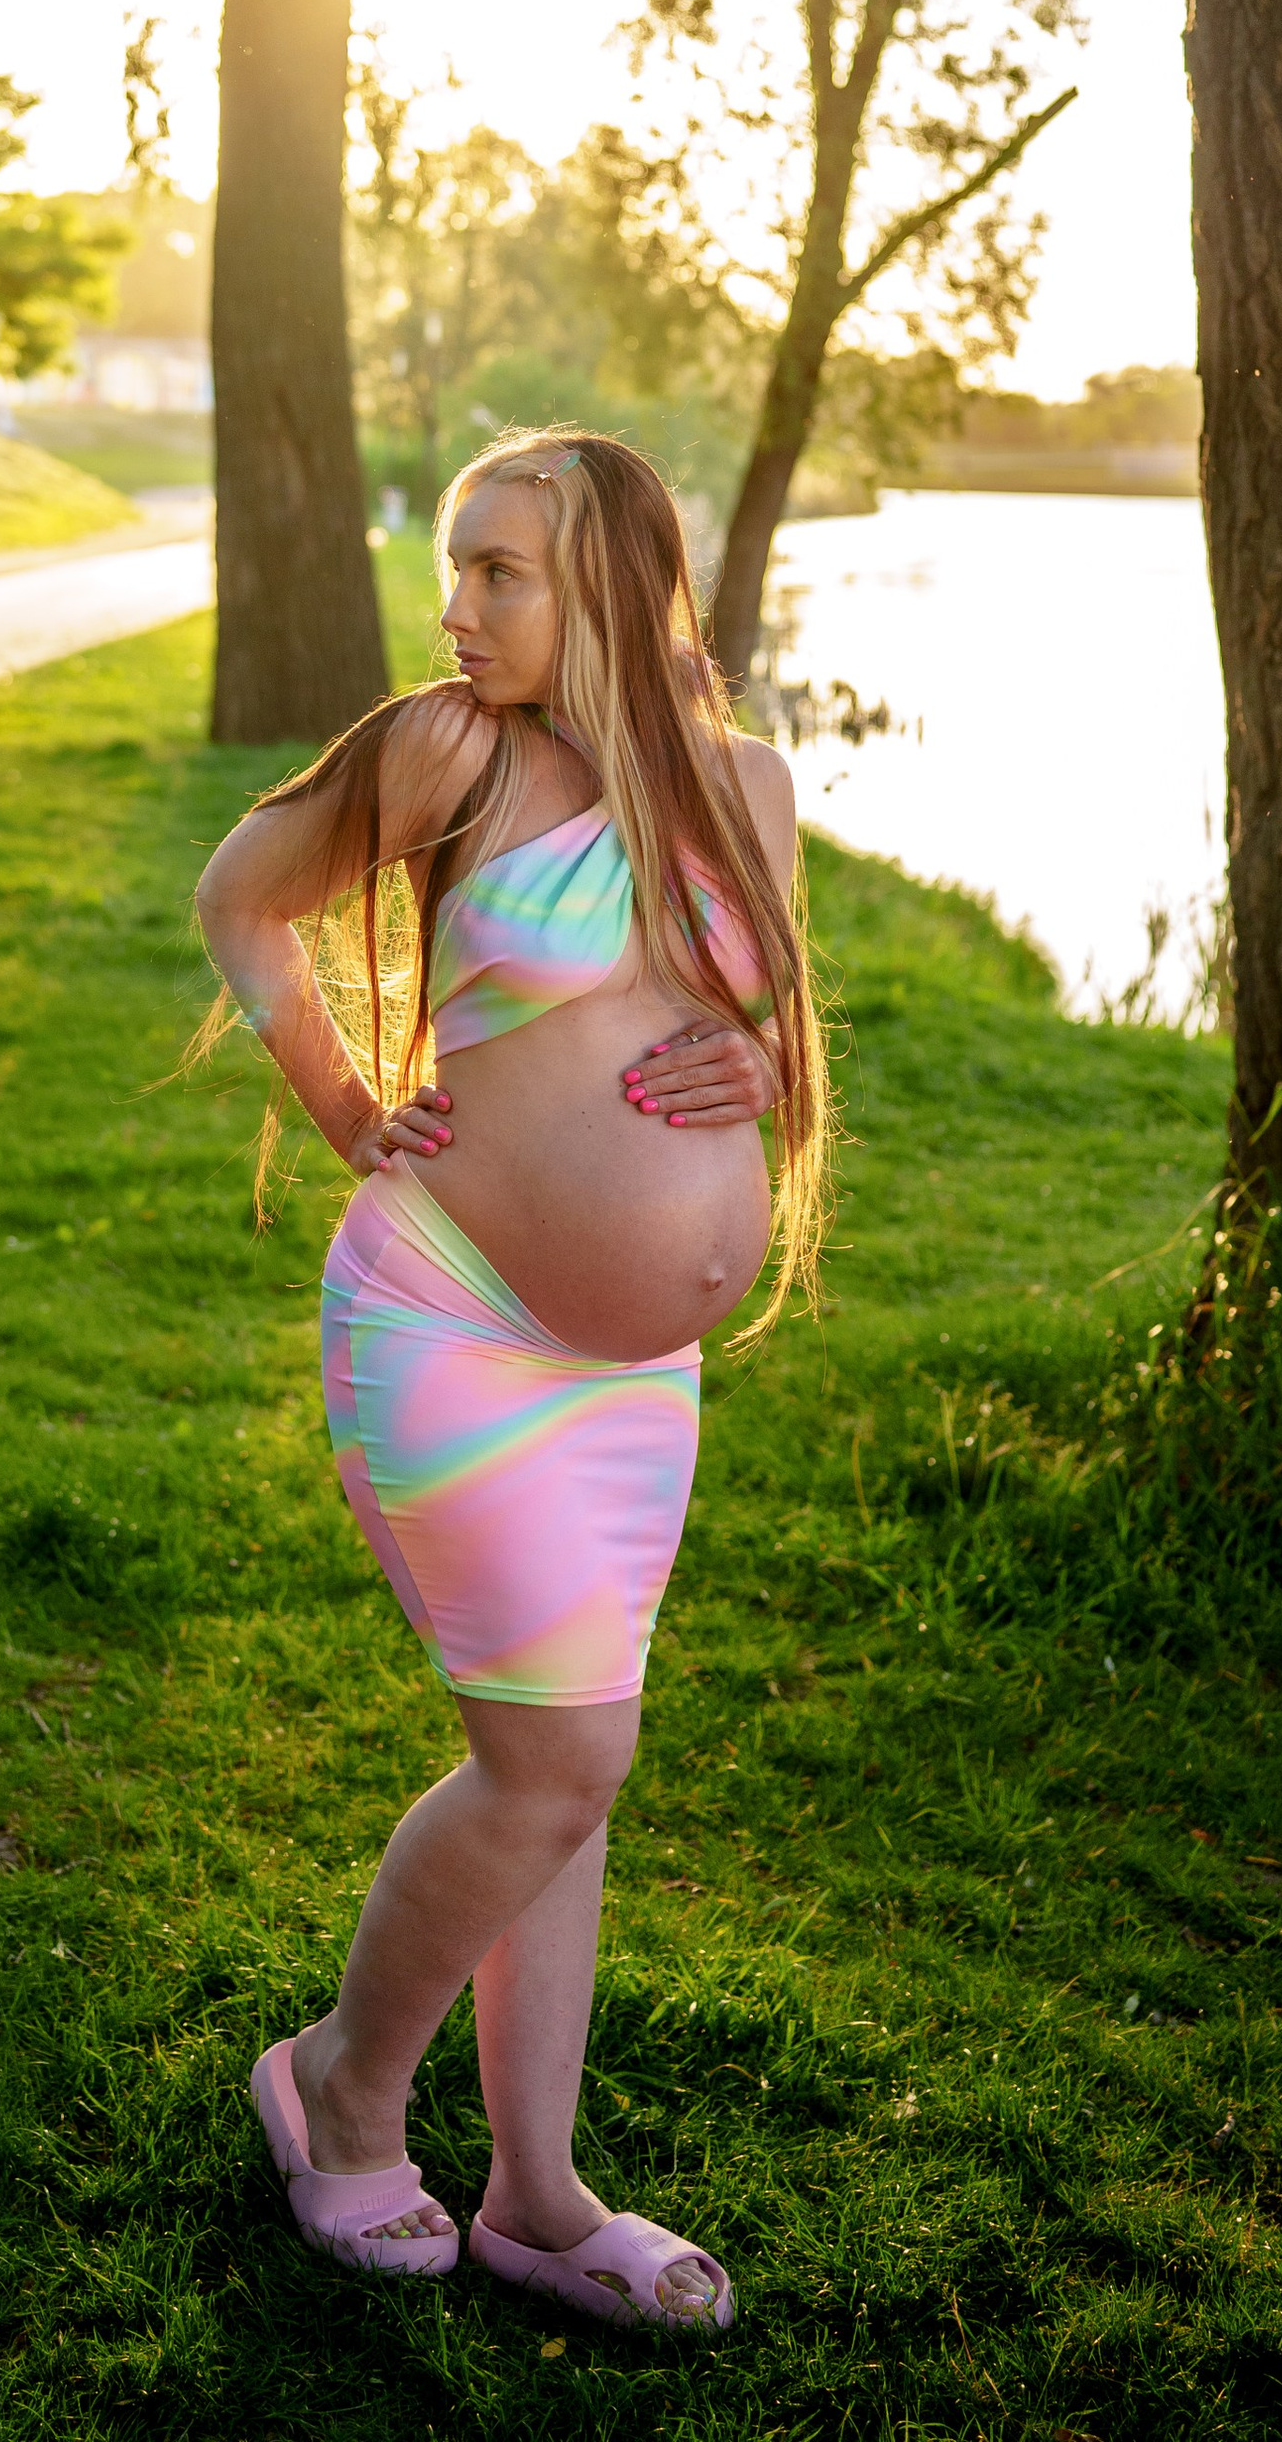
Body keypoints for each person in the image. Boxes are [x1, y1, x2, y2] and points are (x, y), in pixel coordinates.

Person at [194, 427, 826, 2335]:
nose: (455, 608)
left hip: (637, 1387)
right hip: (452, 1319)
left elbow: (766, 1042)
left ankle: (539, 2200)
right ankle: (338, 2092)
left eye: (502, 574)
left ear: (615, 588)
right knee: (560, 1758)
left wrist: (766, 1087)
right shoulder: (451, 751)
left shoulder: (750, 785)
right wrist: (343, 1105)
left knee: (561, 1772)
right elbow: (243, 895)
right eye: (453, 566)